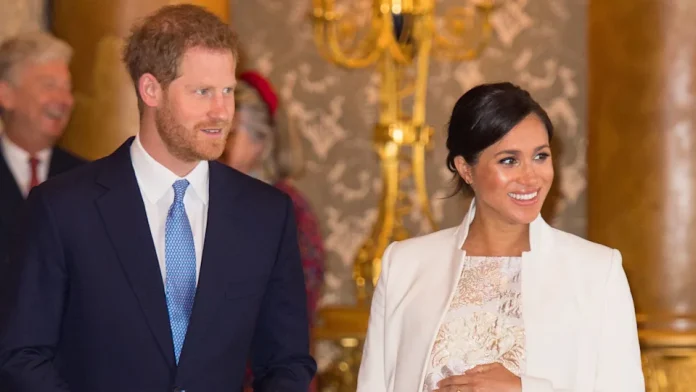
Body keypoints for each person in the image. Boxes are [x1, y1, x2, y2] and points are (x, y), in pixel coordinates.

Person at [0, 5, 316, 392]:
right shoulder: (63, 207)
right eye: (202, 92)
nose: (221, 112)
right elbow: (23, 354)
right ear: (151, 90)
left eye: (227, 91)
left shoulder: (266, 213)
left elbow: (287, 363)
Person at [356, 82, 644, 391]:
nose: (531, 176)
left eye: (540, 156)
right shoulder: (405, 264)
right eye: (509, 160)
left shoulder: (597, 271)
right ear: (465, 169)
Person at [219, 70, 325, 392]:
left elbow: (296, 308)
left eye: (231, 133)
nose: (218, 141)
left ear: (260, 142)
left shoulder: (288, 209)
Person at [0, 31, 85, 265]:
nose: (64, 99)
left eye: (67, 88)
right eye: (49, 86)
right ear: (6, 95)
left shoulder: (87, 179)